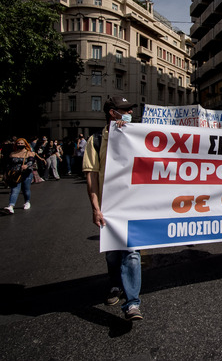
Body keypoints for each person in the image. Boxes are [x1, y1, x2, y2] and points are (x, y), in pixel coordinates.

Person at [83, 95, 143, 320]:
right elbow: (92, 176)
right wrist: (95, 208)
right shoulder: (96, 140)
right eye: (124, 110)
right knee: (112, 255)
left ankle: (132, 303)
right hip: (109, 207)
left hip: (132, 205)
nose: (129, 113)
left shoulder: (136, 135)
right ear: (112, 113)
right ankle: (115, 285)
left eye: (129, 110)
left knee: (132, 254)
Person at [3, 138, 36, 214]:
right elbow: (8, 164)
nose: (20, 145)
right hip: (15, 174)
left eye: (22, 143)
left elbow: (32, 161)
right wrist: (6, 174)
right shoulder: (12, 153)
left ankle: (27, 202)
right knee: (14, 190)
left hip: (26, 173)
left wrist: (26, 166)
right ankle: (11, 206)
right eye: (18, 143)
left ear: (25, 144)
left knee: (26, 189)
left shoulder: (28, 153)